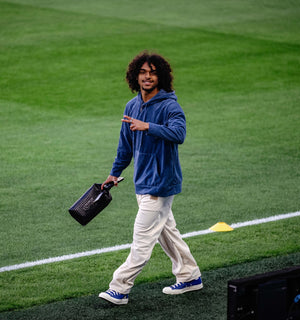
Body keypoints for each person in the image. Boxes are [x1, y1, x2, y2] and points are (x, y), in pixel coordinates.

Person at [98, 51, 202, 305]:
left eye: (152, 72)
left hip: (161, 184)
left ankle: (120, 288)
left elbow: (179, 134)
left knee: (142, 240)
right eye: (143, 72)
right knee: (168, 233)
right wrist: (114, 174)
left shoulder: (170, 106)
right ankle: (190, 276)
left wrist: (149, 127)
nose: (147, 77)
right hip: (142, 182)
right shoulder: (132, 106)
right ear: (135, 76)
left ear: (161, 77)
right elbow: (125, 146)